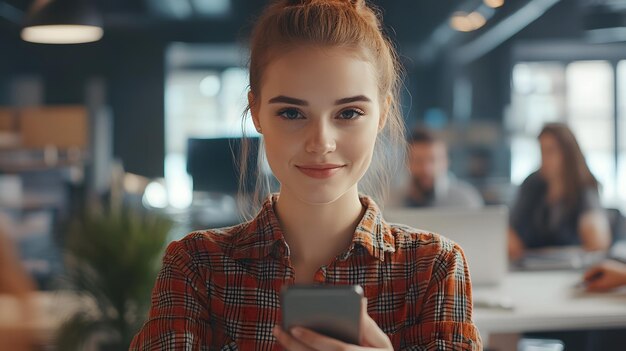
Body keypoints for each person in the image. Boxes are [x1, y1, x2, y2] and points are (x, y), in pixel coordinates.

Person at [130, 0, 481, 350]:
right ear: (256, 113)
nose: (320, 143)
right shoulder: (196, 266)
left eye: (349, 113)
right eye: (291, 113)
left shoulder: (434, 267)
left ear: (383, 113)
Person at [508, 123, 611, 260]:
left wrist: (548, 254)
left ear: (568, 154)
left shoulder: (584, 188)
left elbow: (598, 243)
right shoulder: (532, 184)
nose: (544, 159)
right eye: (542, 151)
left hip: (570, 270)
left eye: (551, 151)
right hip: (528, 268)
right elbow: (511, 235)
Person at [405, 128, 483, 208]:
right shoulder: (395, 201)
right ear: (407, 163)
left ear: (446, 162)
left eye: (433, 160)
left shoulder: (466, 200)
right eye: (418, 161)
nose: (426, 169)